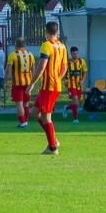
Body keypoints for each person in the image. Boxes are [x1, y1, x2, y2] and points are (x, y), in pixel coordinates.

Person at [29, 21, 69, 155]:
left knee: (46, 117)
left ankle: (52, 147)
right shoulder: (62, 46)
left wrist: (32, 83)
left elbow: (41, 66)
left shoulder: (46, 45)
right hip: (53, 86)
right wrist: (58, 78)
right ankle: (54, 140)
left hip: (49, 87)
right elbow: (65, 67)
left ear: (46, 32)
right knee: (35, 113)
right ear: (57, 32)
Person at [8, 38, 36, 128]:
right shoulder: (30, 54)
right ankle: (26, 121)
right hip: (28, 83)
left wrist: (7, 81)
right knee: (26, 103)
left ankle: (23, 122)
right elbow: (33, 69)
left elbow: (8, 71)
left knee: (19, 104)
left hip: (17, 84)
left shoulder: (13, 55)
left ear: (16, 45)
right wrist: (33, 82)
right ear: (25, 45)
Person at [66, 46, 88, 122]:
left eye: (76, 53)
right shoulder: (67, 63)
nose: (75, 55)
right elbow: (64, 74)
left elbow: (85, 71)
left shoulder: (82, 61)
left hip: (79, 85)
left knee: (77, 103)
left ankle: (67, 108)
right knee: (75, 100)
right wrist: (66, 84)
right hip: (71, 85)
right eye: (73, 53)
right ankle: (75, 119)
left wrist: (83, 80)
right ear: (71, 54)